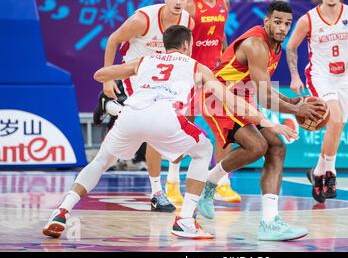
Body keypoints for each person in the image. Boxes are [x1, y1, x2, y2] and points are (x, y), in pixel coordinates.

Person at [42, 25, 297, 240]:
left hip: (132, 114)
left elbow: (100, 74)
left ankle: (62, 211)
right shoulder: (196, 65)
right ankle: (185, 218)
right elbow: (230, 100)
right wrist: (268, 122)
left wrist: (118, 82)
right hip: (166, 116)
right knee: (204, 150)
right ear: (186, 45)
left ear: (165, 45)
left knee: (100, 162)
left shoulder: (145, 60)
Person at [196, 1, 323, 241]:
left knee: (276, 147)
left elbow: (265, 88)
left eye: (287, 23)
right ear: (266, 22)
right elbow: (265, 98)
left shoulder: (275, 46)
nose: (283, 28)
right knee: (256, 146)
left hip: (241, 98)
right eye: (277, 21)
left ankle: (269, 222)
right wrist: (299, 110)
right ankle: (210, 184)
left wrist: (293, 102)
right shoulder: (256, 45)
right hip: (218, 98)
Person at [93, 0, 195, 212]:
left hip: (163, 75)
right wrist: (109, 79)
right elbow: (113, 40)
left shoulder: (187, 20)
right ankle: (157, 192)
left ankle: (111, 107)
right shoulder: (143, 19)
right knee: (155, 126)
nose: (179, 2)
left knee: (158, 127)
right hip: (137, 70)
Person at [286, 0, 348, 203]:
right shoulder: (308, 19)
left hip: (345, 78)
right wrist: (295, 77)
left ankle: (317, 172)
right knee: (334, 120)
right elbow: (291, 47)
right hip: (320, 76)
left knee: (338, 126)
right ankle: (330, 173)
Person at [164, 0, 240, 205]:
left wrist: (226, 56)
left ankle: (221, 182)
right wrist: (184, 71)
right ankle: (172, 182)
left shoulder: (223, 1)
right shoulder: (190, 5)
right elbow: (179, 39)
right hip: (191, 74)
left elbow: (221, 34)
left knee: (224, 129)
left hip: (215, 74)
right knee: (183, 129)